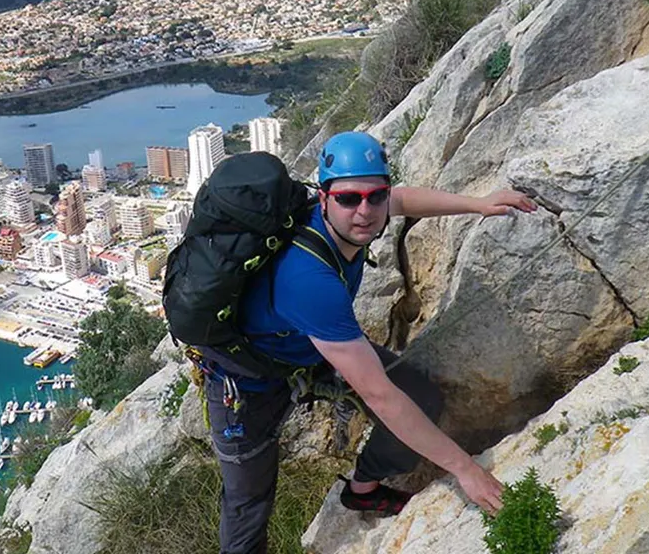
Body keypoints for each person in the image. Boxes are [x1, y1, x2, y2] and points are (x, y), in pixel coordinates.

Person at [199, 131, 539, 554]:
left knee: (421, 397)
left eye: (375, 196)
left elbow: (402, 200)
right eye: (349, 199)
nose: (364, 211)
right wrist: (465, 470)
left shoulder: (358, 212)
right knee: (249, 501)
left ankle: (363, 489)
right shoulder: (308, 279)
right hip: (246, 383)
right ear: (322, 198)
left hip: (311, 349)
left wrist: (477, 204)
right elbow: (379, 396)